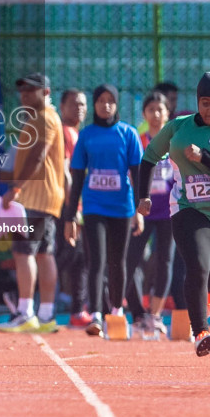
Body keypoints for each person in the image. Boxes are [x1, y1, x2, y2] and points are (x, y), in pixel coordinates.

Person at [137, 73, 210, 356]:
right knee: (198, 265)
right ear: (197, 102)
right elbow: (149, 157)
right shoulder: (178, 128)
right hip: (189, 208)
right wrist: (143, 196)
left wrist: (204, 157)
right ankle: (200, 331)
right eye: (206, 103)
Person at [61, 84, 144, 337]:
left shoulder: (128, 134)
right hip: (94, 206)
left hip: (122, 206)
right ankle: (96, 313)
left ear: (116, 105)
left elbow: (139, 175)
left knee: (118, 261)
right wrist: (70, 217)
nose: (105, 105)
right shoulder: (86, 135)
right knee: (95, 260)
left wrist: (139, 209)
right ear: (95, 105)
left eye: (111, 101)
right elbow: (76, 177)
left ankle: (116, 311)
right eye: (101, 101)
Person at [0, 73, 67, 334]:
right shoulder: (42, 118)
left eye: (32, 90)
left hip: (35, 197)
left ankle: (25, 313)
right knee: (43, 253)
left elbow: (37, 157)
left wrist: (15, 188)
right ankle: (47, 315)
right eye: (23, 90)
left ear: (46, 92)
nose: (25, 95)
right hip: (46, 197)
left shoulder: (43, 118)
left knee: (23, 252)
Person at [121, 89, 174, 336]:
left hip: (169, 212)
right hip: (142, 211)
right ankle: (136, 313)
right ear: (144, 113)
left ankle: (155, 316)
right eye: (150, 109)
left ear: (167, 113)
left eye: (160, 109)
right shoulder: (138, 141)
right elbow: (129, 176)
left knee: (165, 261)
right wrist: (134, 209)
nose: (155, 114)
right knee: (131, 261)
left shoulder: (175, 141)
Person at [57, 87, 91, 323]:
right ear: (62, 107)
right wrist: (73, 209)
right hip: (66, 205)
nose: (79, 108)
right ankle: (29, 297)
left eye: (82, 104)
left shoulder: (78, 133)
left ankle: (78, 309)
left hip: (77, 205)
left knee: (77, 257)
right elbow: (66, 172)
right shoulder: (65, 133)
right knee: (67, 255)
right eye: (74, 103)